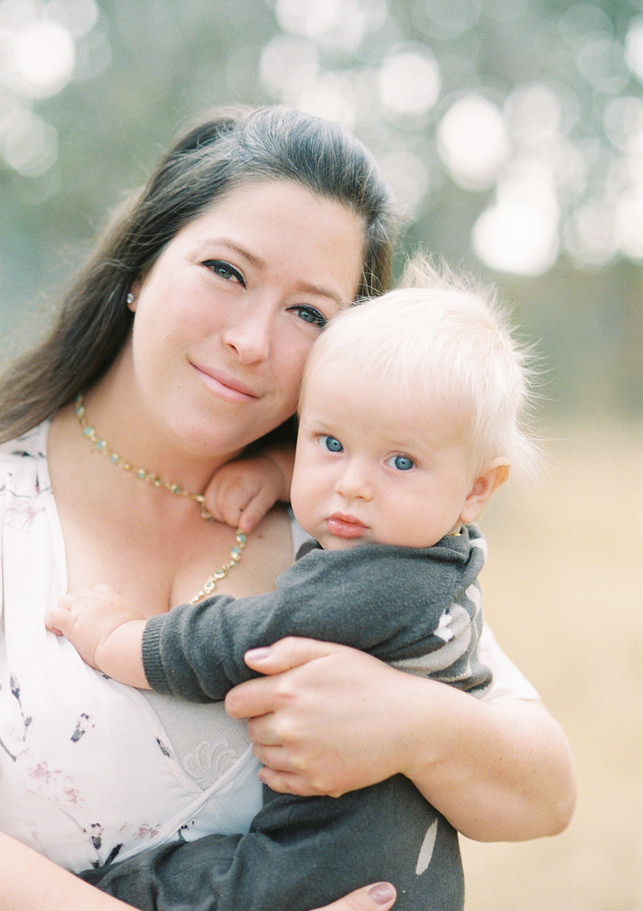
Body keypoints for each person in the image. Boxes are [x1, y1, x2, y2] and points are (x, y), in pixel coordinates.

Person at [0, 106, 575, 911]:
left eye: (309, 312)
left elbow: (545, 794)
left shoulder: (346, 515)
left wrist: (412, 722)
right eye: (226, 272)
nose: (251, 340)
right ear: (141, 265)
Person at [46, 258, 540, 911]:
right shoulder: (445, 561)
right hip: (412, 877)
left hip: (319, 876)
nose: (354, 484)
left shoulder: (371, 581)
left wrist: (115, 636)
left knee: (151, 885)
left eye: (400, 461)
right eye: (329, 442)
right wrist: (282, 471)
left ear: (476, 487)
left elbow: (238, 640)